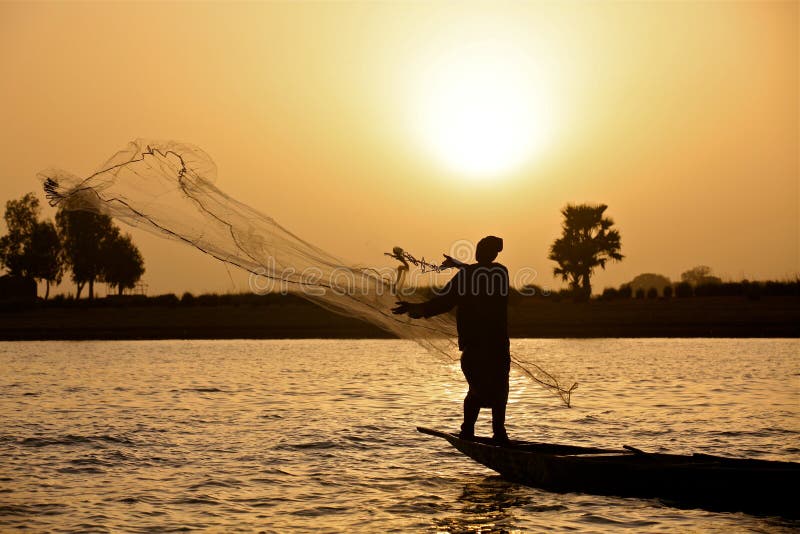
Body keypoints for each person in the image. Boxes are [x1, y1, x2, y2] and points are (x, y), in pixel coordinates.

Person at [392, 236, 510, 442]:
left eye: (481, 249)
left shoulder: (481, 274)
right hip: (494, 346)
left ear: (488, 253)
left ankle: (485, 433)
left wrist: (418, 308)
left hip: (481, 347)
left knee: (486, 391)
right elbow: (468, 281)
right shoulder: (499, 272)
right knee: (493, 391)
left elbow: (446, 301)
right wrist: (458, 266)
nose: (477, 252)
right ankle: (486, 433)